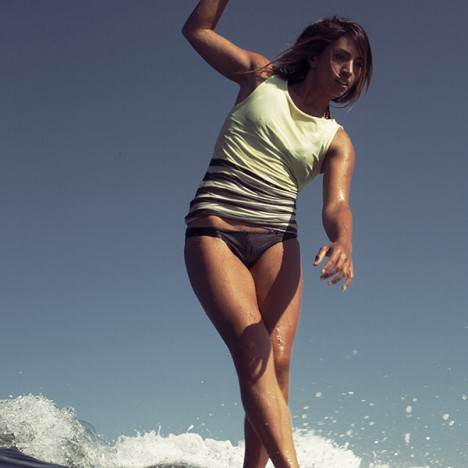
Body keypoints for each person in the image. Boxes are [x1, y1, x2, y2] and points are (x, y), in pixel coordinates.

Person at [181, 1, 373, 467]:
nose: (348, 71)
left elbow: (337, 206)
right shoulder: (260, 77)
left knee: (279, 361)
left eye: (358, 64)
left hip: (277, 242)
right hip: (217, 230)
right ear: (315, 55)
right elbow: (197, 31)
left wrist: (344, 242)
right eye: (341, 57)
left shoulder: (336, 140)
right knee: (252, 349)